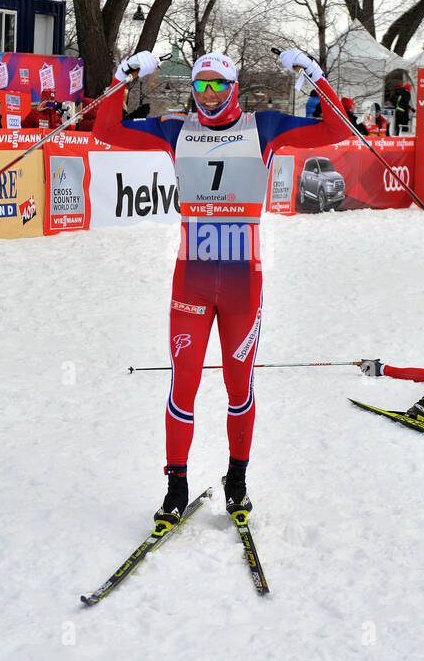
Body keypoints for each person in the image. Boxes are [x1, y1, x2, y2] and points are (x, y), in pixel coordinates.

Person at [93, 48, 357, 527]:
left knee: (240, 388)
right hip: (191, 282)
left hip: (241, 283)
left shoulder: (266, 127)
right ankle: (176, 487)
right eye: (200, 86)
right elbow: (106, 132)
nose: (209, 94)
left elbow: (338, 131)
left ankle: (237, 480)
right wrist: (121, 77)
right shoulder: (176, 130)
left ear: (233, 86)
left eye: (218, 85)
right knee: (184, 386)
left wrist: (317, 77)